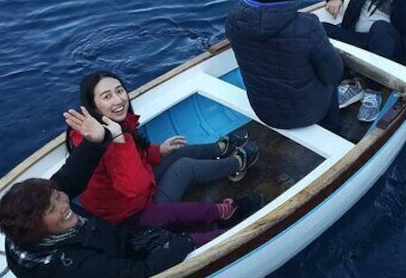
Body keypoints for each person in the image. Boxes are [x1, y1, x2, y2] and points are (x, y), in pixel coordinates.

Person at [0, 178, 252, 278]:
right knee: (189, 240)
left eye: (58, 196)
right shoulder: (74, 269)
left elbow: (72, 173)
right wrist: (181, 243)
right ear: (36, 227)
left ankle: (222, 212)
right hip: (126, 264)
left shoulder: (35, 234)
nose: (64, 205)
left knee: (164, 214)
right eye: (52, 209)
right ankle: (239, 230)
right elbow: (142, 274)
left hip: (117, 239)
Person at [67, 70, 261, 225]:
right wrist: (119, 138)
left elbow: (134, 155)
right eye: (107, 96)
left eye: (119, 91)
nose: (118, 100)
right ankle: (238, 163)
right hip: (130, 214)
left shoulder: (111, 122)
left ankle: (219, 148)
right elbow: (135, 187)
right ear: (93, 105)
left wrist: (158, 151)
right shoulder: (99, 141)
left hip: (130, 193)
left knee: (176, 152)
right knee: (185, 167)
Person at [225, 0, 344, 132]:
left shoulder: (234, 19)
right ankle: (333, 128)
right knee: (330, 75)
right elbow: (334, 75)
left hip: (263, 111)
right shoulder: (308, 25)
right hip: (307, 113)